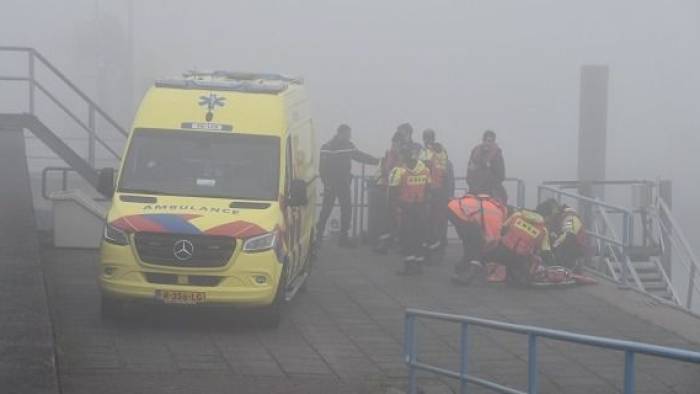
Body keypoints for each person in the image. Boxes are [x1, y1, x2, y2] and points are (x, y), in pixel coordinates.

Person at [316, 124, 379, 248]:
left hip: (342, 183)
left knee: (343, 210)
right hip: (335, 184)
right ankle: (320, 237)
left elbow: (360, 156)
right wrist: (326, 183)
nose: (349, 137)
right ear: (341, 133)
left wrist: (376, 161)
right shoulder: (328, 147)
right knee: (329, 210)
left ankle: (339, 238)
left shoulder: (332, 146)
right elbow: (322, 168)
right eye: (348, 134)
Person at [483, 206, 554, 286]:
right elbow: (546, 251)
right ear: (546, 217)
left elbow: (503, 230)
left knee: (490, 248)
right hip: (520, 260)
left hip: (501, 253)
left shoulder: (517, 215)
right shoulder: (543, 230)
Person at [389, 144, 431, 275]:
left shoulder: (398, 171)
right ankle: (419, 266)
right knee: (419, 237)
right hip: (421, 208)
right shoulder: (425, 170)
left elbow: (392, 194)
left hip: (405, 209)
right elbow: (429, 191)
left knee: (406, 238)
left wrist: (394, 211)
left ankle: (408, 267)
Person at [447, 194, 508, 285]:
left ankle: (460, 269)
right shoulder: (497, 215)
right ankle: (470, 274)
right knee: (478, 245)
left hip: (454, 208)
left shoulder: (491, 205)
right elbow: (491, 239)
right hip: (460, 213)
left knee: (471, 245)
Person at [371, 130, 406, 253]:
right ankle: (386, 243)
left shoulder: (404, 156)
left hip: (400, 191)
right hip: (388, 190)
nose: (394, 146)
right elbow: (386, 170)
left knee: (398, 217)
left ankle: (397, 242)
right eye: (394, 143)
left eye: (397, 144)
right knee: (387, 218)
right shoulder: (389, 155)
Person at [421, 129, 450, 255]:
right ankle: (436, 244)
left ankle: (433, 245)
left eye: (426, 138)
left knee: (432, 219)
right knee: (437, 219)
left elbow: (424, 167)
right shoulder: (442, 151)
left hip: (432, 189)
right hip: (439, 188)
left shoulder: (429, 152)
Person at [537, 198, 587, 272]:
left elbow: (567, 236)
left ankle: (562, 268)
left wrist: (551, 249)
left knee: (567, 240)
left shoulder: (569, 218)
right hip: (562, 246)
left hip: (573, 251)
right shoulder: (557, 218)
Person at [466, 130, 507, 204]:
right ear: (483, 140)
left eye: (490, 141)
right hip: (476, 191)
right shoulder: (475, 153)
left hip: (490, 191)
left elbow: (501, 175)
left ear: (493, 142)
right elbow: (469, 174)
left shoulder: (497, 155)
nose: (488, 143)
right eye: (486, 140)